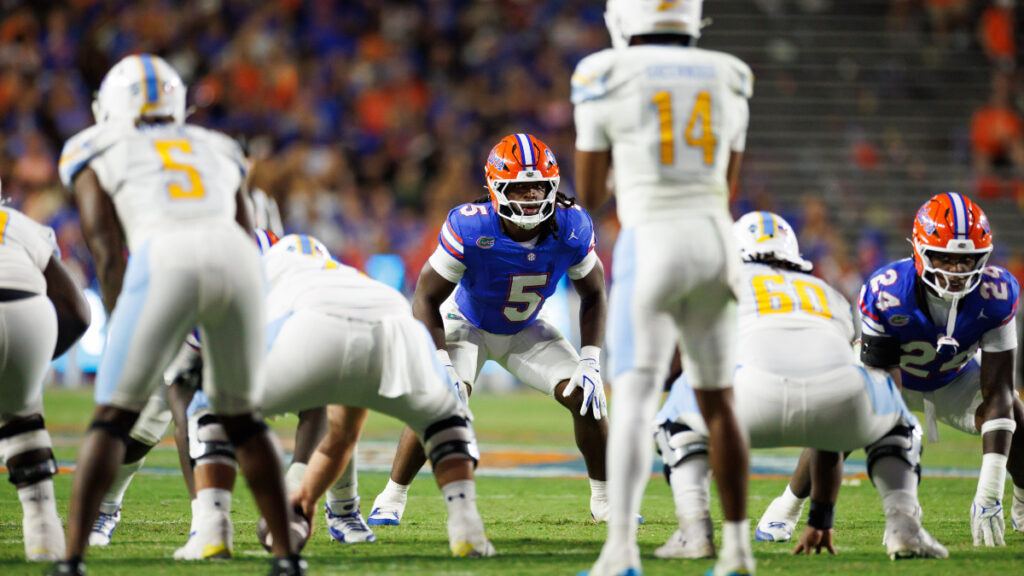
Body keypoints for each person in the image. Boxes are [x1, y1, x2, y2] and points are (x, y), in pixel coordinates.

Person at [55, 54, 304, 575]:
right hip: (236, 264)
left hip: (163, 257)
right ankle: (286, 557)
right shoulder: (218, 145)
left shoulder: (92, 146)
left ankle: (71, 558)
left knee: (112, 417)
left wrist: (124, 319)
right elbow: (244, 230)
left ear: (112, 104)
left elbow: (104, 245)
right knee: (242, 418)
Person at [165, 232, 496, 557]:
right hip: (394, 317)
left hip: (313, 323)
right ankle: (467, 527)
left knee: (208, 408)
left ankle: (212, 530)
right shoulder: (342, 274)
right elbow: (342, 435)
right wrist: (307, 496)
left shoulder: (260, 275)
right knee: (446, 420)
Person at [572, 1, 754, 574]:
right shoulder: (730, 74)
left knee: (633, 399)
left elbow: (589, 193)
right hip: (716, 239)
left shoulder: (603, 72)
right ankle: (737, 551)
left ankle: (620, 549)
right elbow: (726, 183)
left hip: (651, 237)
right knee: (719, 401)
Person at [653, 211, 947, 560]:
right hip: (838, 406)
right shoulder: (828, 293)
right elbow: (827, 416)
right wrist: (821, 517)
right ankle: (905, 527)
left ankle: (694, 531)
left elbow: (677, 361)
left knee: (682, 400)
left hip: (748, 404)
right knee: (894, 413)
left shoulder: (719, 283)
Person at [366, 133, 610, 526]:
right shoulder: (470, 226)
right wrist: (441, 360)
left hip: (526, 330)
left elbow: (594, 293)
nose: (531, 196)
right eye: (520, 187)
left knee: (586, 396)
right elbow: (425, 297)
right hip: (468, 327)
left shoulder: (571, 225)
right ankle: (391, 496)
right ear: (497, 188)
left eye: (538, 187)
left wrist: (591, 360)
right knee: (439, 399)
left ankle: (606, 499)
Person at [757, 192, 1022, 548]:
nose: (957, 270)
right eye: (945, 257)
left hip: (952, 377)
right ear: (920, 252)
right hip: (890, 376)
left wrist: (990, 491)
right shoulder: (888, 293)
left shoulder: (997, 293)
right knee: (840, 418)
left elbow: (999, 392)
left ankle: (1022, 498)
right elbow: (885, 394)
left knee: (1014, 411)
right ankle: (788, 504)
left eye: (966, 259)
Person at [0, 178, 90, 561]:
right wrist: (29, 370)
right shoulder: (14, 222)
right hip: (30, 314)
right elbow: (78, 311)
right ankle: (44, 535)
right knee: (22, 414)